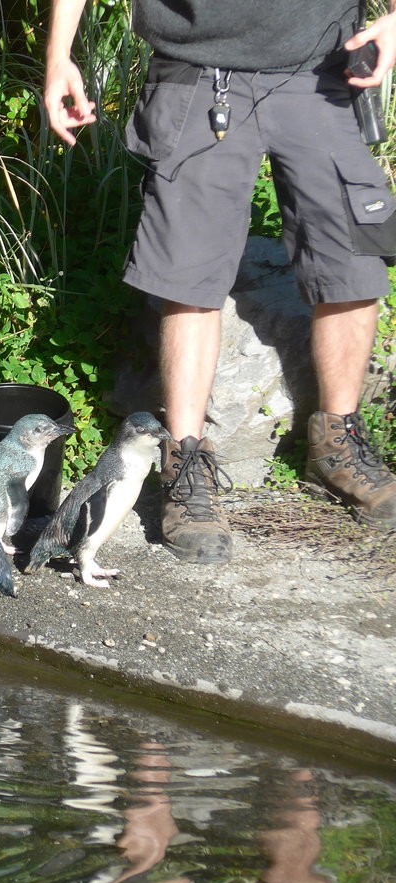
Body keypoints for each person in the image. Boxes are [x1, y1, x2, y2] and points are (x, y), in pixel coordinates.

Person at [43, 0, 396, 563]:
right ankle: (185, 464)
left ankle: (338, 443)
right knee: (189, 275)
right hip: (200, 75)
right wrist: (59, 54)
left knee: (352, 262)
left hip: (325, 71)